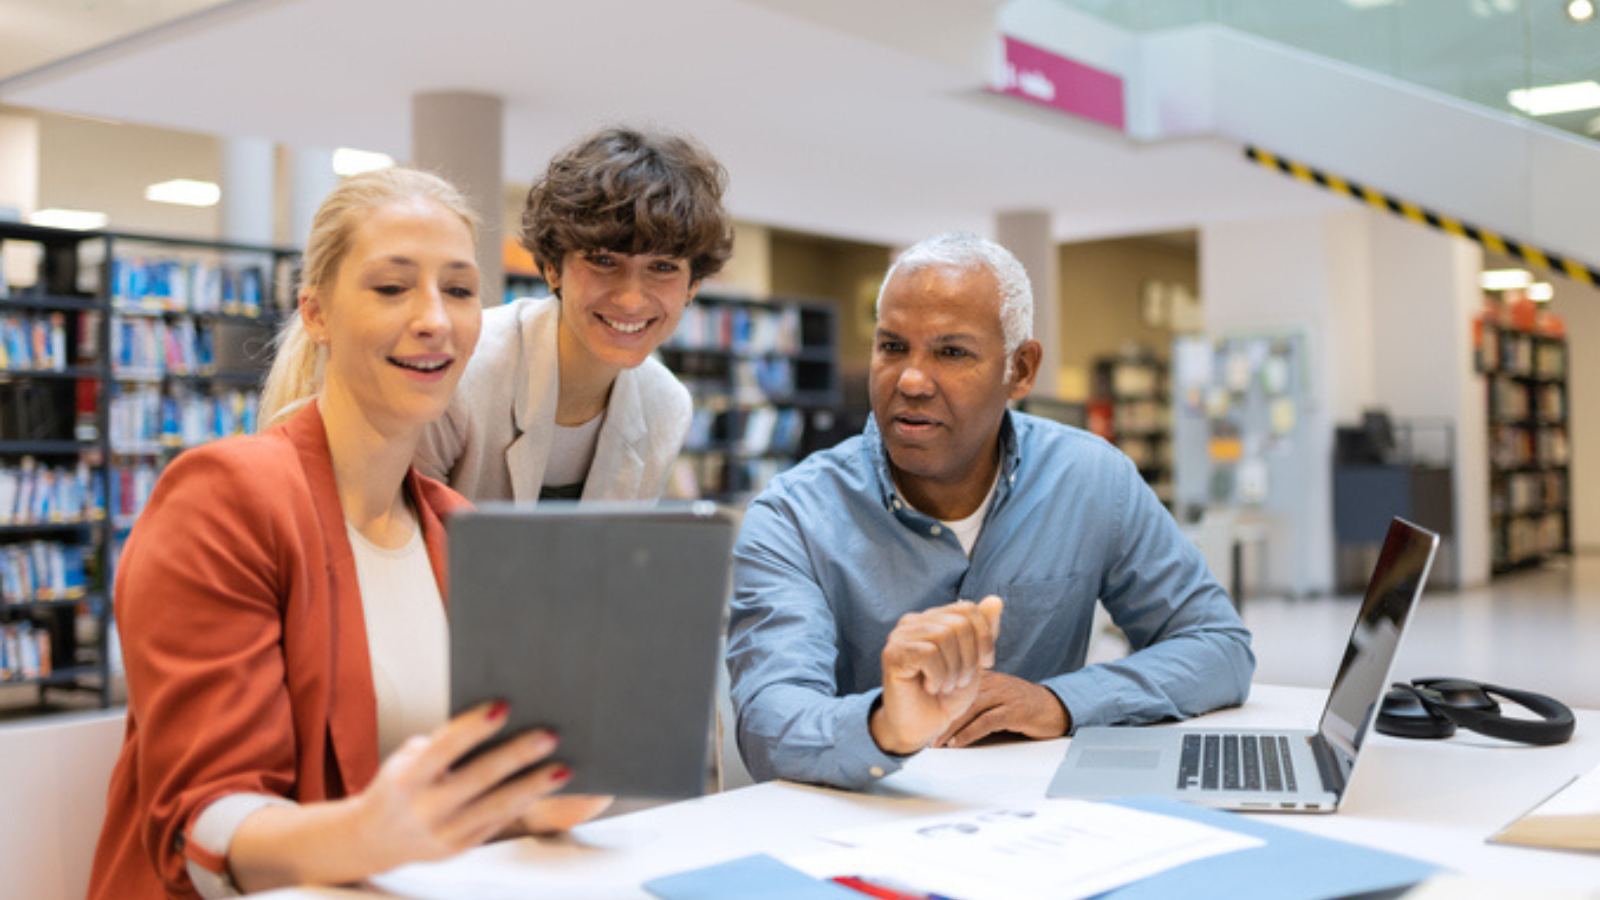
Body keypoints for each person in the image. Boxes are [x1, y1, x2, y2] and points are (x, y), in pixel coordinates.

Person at [91, 168, 605, 900]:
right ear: (318, 313)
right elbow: (203, 829)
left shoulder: (463, 531)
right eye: (393, 287)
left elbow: (464, 800)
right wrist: (374, 832)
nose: (435, 318)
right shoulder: (222, 499)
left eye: (458, 290)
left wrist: (536, 803)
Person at [726, 233, 1254, 790]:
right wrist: (888, 724)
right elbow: (769, 723)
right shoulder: (792, 518)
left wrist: (1059, 702)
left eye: (951, 352)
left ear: (1021, 370)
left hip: (1045, 824)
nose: (910, 379)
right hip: (860, 822)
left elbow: (1218, 646)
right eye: (892, 347)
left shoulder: (1092, 479)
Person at [415, 125, 734, 502]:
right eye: (602, 260)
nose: (632, 300)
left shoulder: (665, 405)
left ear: (692, 286)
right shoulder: (461, 369)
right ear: (553, 267)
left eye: (663, 267)